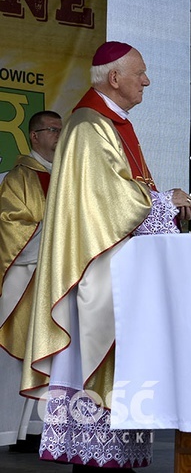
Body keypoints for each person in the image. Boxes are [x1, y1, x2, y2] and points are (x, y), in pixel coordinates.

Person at [21, 42, 191, 471]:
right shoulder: (87, 125)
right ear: (114, 78)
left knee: (120, 388)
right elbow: (114, 201)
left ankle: (109, 459)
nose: (147, 81)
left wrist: (161, 203)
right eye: (141, 73)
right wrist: (165, 202)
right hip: (97, 277)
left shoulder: (112, 124)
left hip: (120, 275)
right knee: (99, 380)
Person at [0, 111, 61, 450]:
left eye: (61, 130)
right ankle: (12, 432)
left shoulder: (69, 175)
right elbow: (11, 224)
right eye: (52, 130)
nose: (58, 135)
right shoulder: (19, 177)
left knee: (53, 352)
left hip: (58, 279)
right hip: (27, 276)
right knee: (18, 352)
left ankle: (39, 430)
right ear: (34, 136)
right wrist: (53, 232)